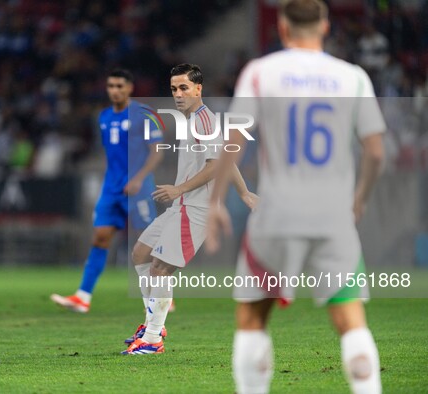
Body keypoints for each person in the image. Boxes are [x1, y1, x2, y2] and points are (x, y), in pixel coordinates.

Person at [206, 1, 385, 393]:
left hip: (276, 214)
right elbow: (375, 150)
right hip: (333, 217)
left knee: (253, 319)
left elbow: (234, 141)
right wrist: (361, 197)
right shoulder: (352, 77)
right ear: (324, 26)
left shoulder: (260, 74)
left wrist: (217, 200)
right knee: (351, 320)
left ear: (283, 29)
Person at [122, 64, 257, 355]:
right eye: (173, 89)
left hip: (196, 207)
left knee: (160, 268)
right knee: (140, 254)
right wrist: (244, 192)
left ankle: (153, 339)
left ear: (199, 89)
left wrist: (179, 189)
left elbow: (214, 166)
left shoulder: (204, 121)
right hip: (181, 205)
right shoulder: (193, 120)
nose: (178, 94)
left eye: (184, 88)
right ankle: (152, 325)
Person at [51, 69, 164, 313]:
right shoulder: (103, 117)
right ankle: (83, 296)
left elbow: (157, 151)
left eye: (120, 86)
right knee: (100, 237)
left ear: (130, 88)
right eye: (111, 86)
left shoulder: (144, 114)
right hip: (111, 188)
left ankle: (162, 294)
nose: (115, 90)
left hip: (138, 187)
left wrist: (139, 178)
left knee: (147, 244)